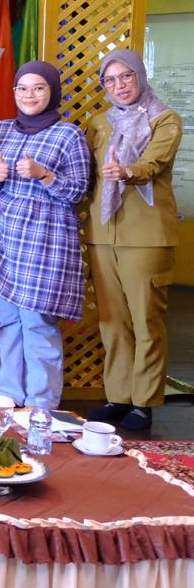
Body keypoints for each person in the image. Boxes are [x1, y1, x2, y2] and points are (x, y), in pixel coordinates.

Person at [0, 60, 90, 409]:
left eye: (38, 88)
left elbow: (79, 192)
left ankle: (41, 404)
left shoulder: (69, 135)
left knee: (37, 323)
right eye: (22, 88)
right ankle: (8, 394)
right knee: (6, 320)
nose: (29, 95)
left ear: (52, 91)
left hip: (46, 240)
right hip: (5, 237)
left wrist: (44, 175)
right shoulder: (2, 130)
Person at [84, 50, 181, 430]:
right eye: (110, 80)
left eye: (126, 76)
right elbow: (86, 176)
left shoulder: (164, 118)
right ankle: (118, 396)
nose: (119, 85)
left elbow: (153, 164)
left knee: (146, 321)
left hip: (146, 236)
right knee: (112, 321)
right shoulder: (98, 123)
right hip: (101, 234)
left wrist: (126, 172)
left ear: (140, 75)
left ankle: (144, 402)